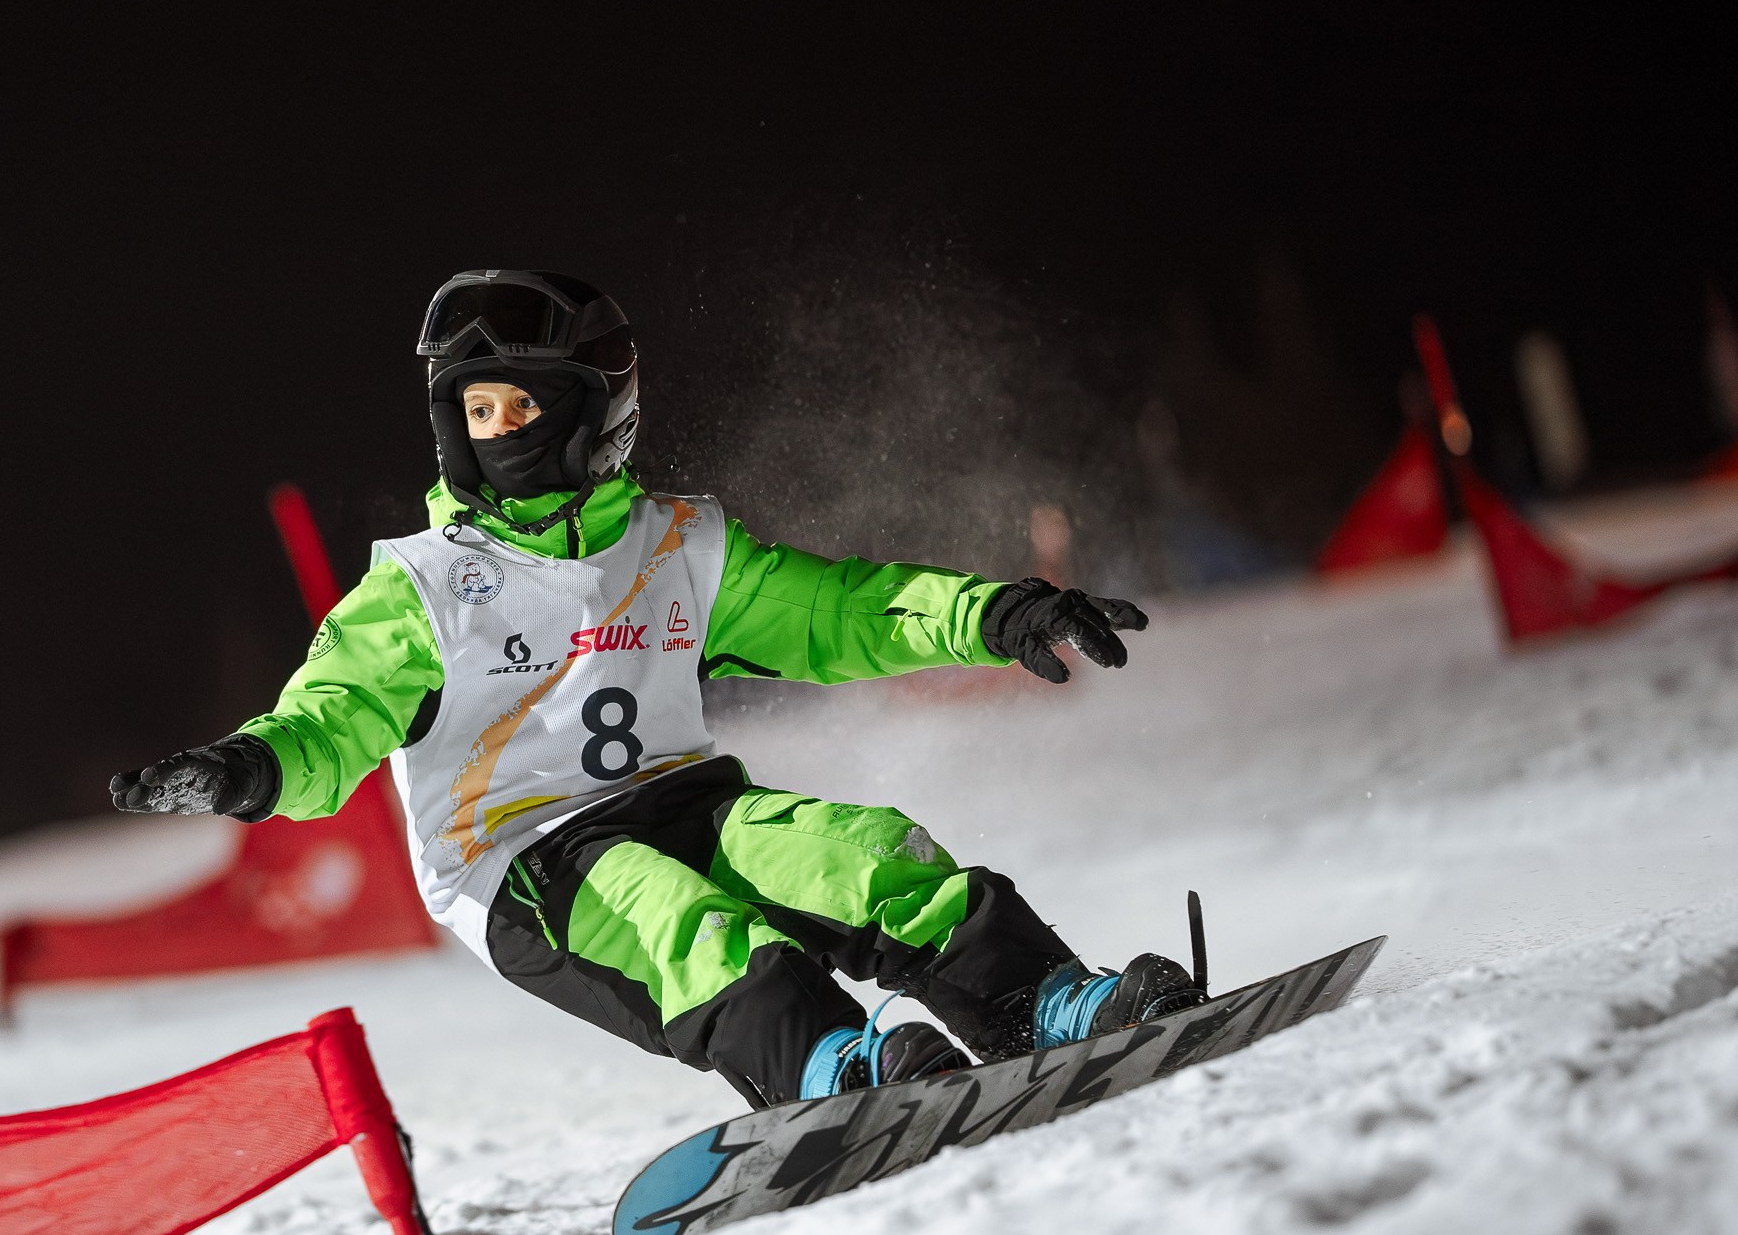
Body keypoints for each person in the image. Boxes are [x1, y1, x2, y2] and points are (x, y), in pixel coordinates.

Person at [110, 271, 1200, 1107]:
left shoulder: (678, 545)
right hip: (527, 860)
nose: (496, 437)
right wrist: (250, 766)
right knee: (684, 921)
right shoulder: (425, 588)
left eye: (519, 409)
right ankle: (828, 1066)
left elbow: (839, 612)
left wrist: (995, 614)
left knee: (863, 853)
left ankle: (1046, 1004)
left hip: (692, 802)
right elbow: (333, 716)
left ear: (591, 414)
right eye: (475, 413)